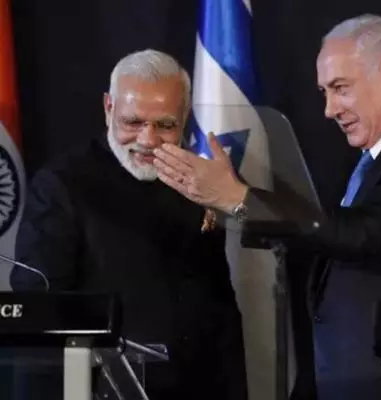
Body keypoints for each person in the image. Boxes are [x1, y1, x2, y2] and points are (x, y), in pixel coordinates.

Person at [151, 14, 381, 400]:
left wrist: (239, 197)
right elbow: (331, 245)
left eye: (340, 88)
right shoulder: (374, 161)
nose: (330, 109)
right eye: (324, 92)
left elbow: (361, 234)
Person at [11, 49, 248, 400]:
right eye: (133, 122)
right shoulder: (61, 185)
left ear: (185, 116)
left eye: (165, 125)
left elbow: (219, 308)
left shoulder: (200, 179)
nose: (148, 140)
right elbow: (39, 309)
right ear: (109, 108)